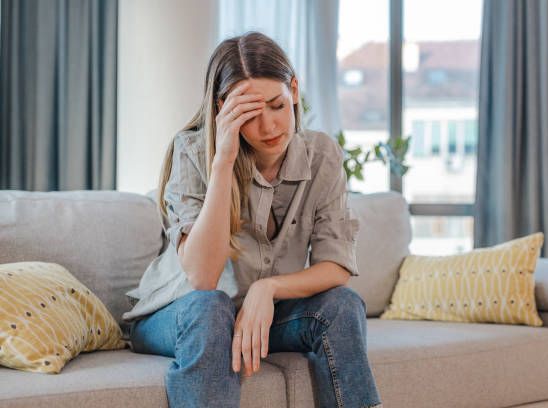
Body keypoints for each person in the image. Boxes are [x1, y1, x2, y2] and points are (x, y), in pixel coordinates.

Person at [122, 31, 382, 408]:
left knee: (342, 305)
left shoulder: (322, 154)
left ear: (294, 91)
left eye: (277, 106)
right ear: (223, 109)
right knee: (211, 308)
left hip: (261, 314)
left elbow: (336, 266)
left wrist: (268, 288)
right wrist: (223, 161)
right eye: (250, 115)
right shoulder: (192, 152)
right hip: (181, 314)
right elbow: (202, 278)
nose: (269, 127)